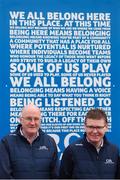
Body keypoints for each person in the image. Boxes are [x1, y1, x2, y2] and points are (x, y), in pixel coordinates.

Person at [0, 104, 59, 179]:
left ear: (40, 120)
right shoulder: (7, 142)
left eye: (36, 119)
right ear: (21, 120)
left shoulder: (50, 142)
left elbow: (55, 175)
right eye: (29, 118)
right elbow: (4, 176)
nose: (32, 123)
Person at [59, 108, 120, 179]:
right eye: (91, 127)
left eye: (98, 127)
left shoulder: (114, 151)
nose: (94, 131)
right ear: (84, 127)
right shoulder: (71, 150)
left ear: (106, 127)